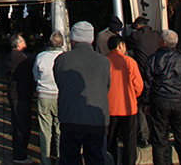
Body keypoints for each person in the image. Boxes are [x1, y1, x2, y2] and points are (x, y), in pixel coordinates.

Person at [53, 20, 111, 165]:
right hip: (96, 120)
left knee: (69, 160)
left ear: (72, 39)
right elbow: (107, 86)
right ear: (91, 40)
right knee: (97, 160)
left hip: (70, 118)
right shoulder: (104, 61)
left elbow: (59, 82)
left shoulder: (62, 60)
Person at [143, 29, 181, 165]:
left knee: (160, 142)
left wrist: (146, 103)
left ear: (163, 42)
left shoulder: (154, 59)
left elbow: (147, 84)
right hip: (179, 101)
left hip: (159, 101)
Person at [107, 35, 143, 165]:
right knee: (129, 142)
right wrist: (133, 95)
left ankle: (111, 162)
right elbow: (139, 85)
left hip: (109, 107)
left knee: (110, 141)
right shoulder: (129, 62)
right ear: (121, 46)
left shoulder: (105, 62)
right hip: (128, 108)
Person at [126, 15, 160, 145]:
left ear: (138, 27)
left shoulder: (137, 36)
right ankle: (157, 134)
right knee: (155, 106)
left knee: (141, 106)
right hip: (158, 76)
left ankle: (144, 135)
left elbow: (125, 42)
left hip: (143, 76)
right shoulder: (157, 35)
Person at [32, 31, 63, 165]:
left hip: (44, 95)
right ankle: (61, 157)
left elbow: (35, 74)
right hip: (59, 95)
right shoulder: (64, 57)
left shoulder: (41, 57)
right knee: (59, 128)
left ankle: (45, 159)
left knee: (45, 129)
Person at [5, 33, 36, 165]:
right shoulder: (20, 58)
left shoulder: (12, 57)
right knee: (22, 125)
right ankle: (19, 155)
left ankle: (19, 152)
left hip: (16, 94)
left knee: (18, 124)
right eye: (23, 41)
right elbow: (33, 59)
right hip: (20, 95)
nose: (25, 42)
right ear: (18, 44)